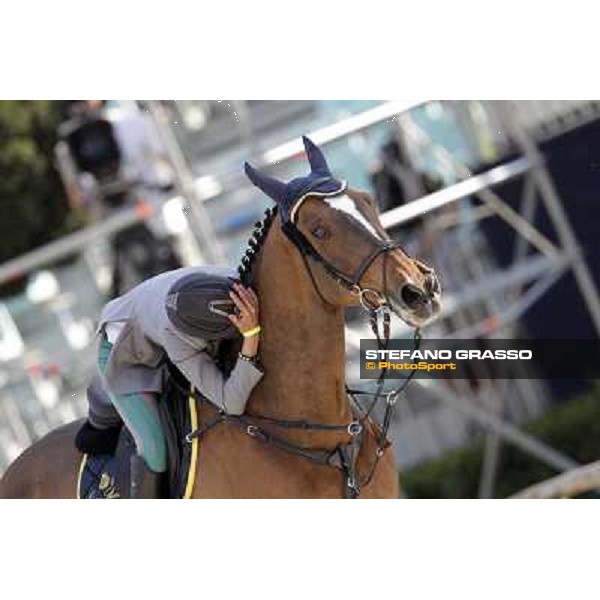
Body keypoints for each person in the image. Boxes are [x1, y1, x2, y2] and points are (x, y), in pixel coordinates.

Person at [95, 266, 263, 498]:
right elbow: (231, 403)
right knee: (153, 447)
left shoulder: (230, 277)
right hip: (121, 352)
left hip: (154, 308)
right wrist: (251, 335)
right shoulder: (177, 339)